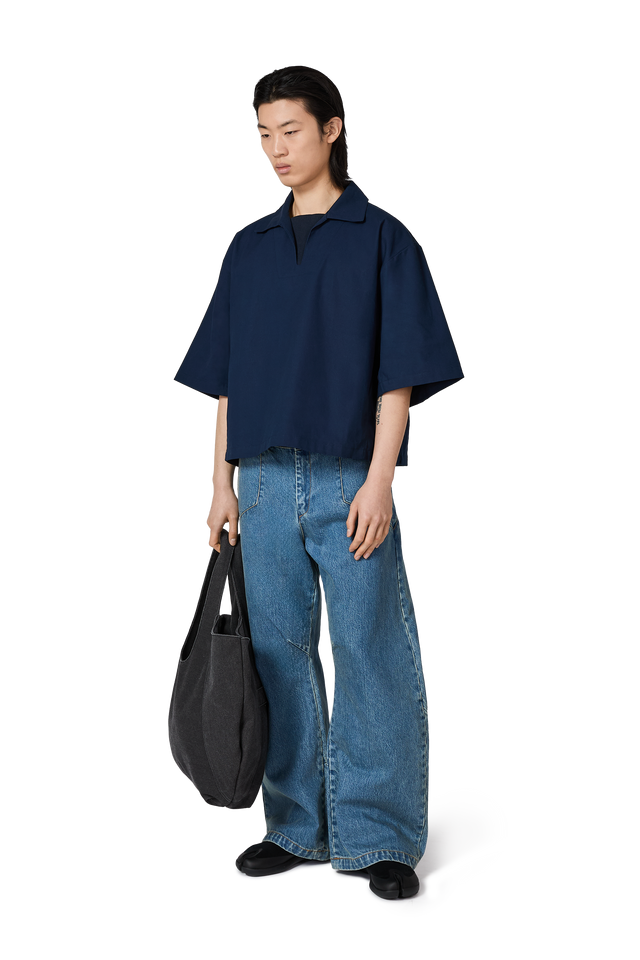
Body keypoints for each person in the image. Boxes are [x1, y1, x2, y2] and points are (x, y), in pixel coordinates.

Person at [171, 66, 465, 901]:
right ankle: (295, 826)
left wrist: (381, 480)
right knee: (276, 654)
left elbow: (398, 375)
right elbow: (226, 380)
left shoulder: (383, 238)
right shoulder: (248, 248)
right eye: (263, 134)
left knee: (371, 649)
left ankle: (380, 837)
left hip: (349, 479)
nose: (275, 148)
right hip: (261, 483)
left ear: (333, 129)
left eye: (290, 130)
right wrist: (220, 484)